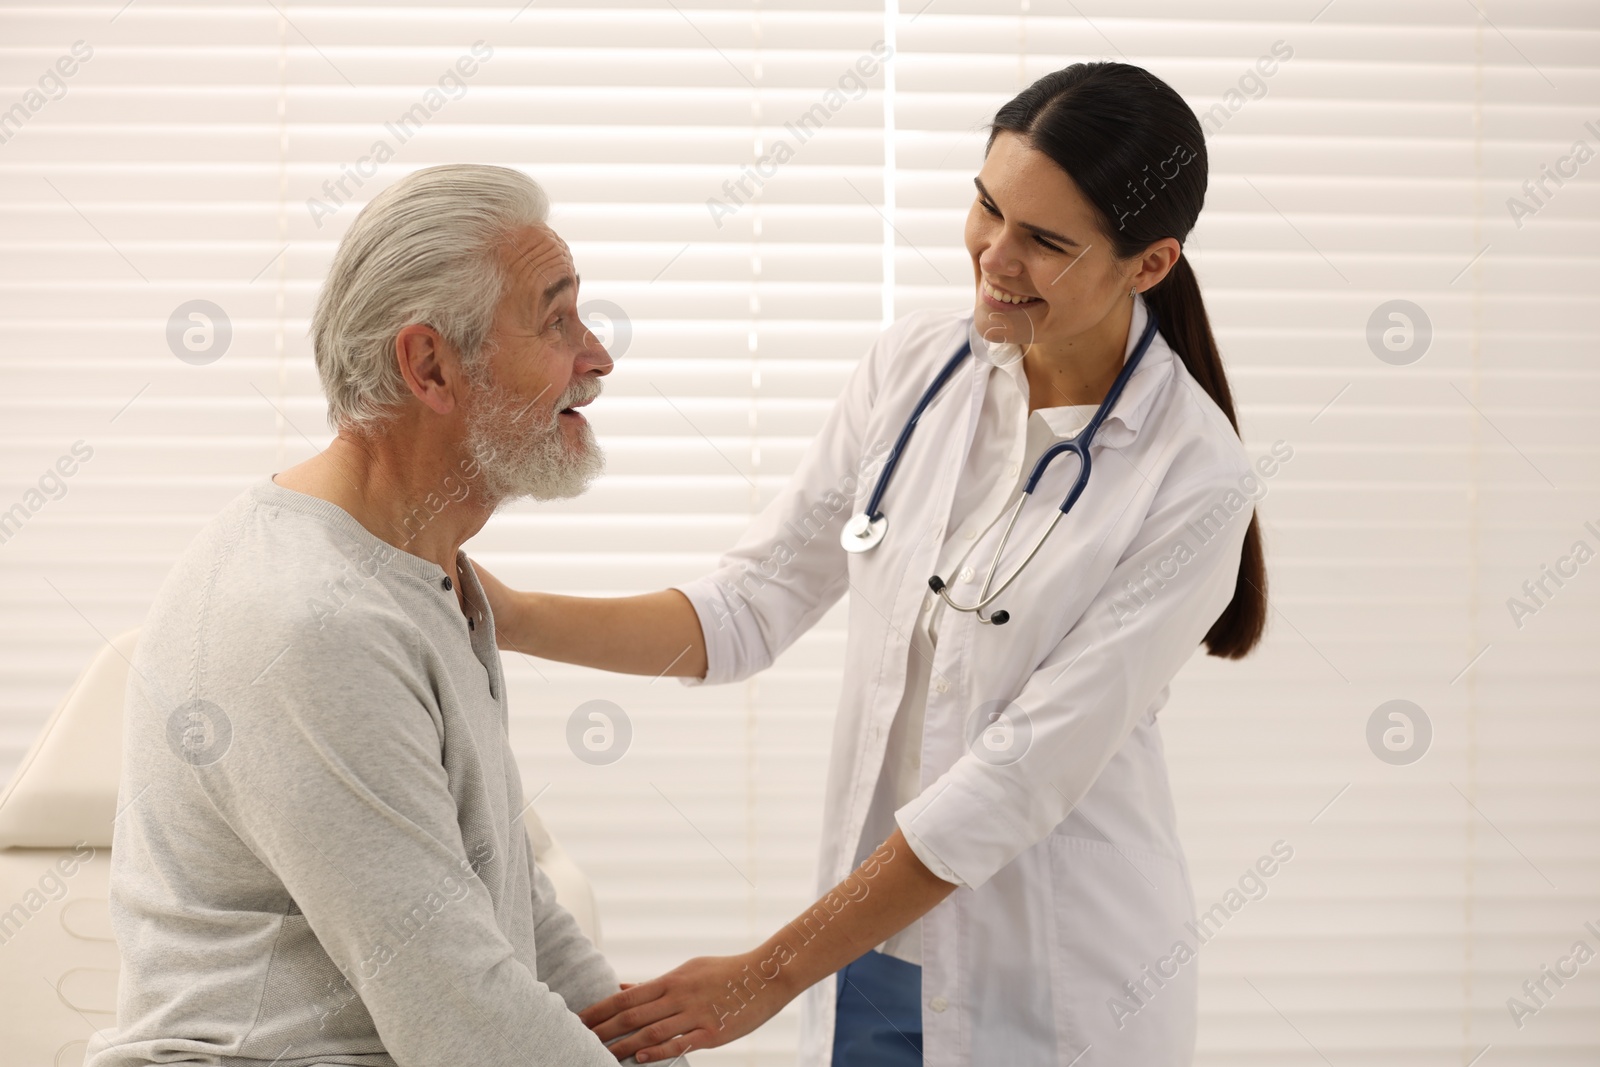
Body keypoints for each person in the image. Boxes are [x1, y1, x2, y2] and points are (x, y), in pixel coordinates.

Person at [478, 61, 1267, 1067]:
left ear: (1148, 264)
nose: (995, 255)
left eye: (1047, 242)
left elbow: (1015, 778)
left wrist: (766, 972)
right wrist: (504, 611)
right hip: (868, 956)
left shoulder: (1194, 479)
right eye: (987, 208)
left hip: (1052, 980)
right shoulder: (915, 368)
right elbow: (748, 605)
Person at [86, 164, 674, 1066]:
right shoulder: (310, 622)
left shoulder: (421, 576)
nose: (597, 356)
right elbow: (461, 1010)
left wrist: (655, 1049)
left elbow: (510, 909)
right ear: (431, 364)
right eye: (557, 320)